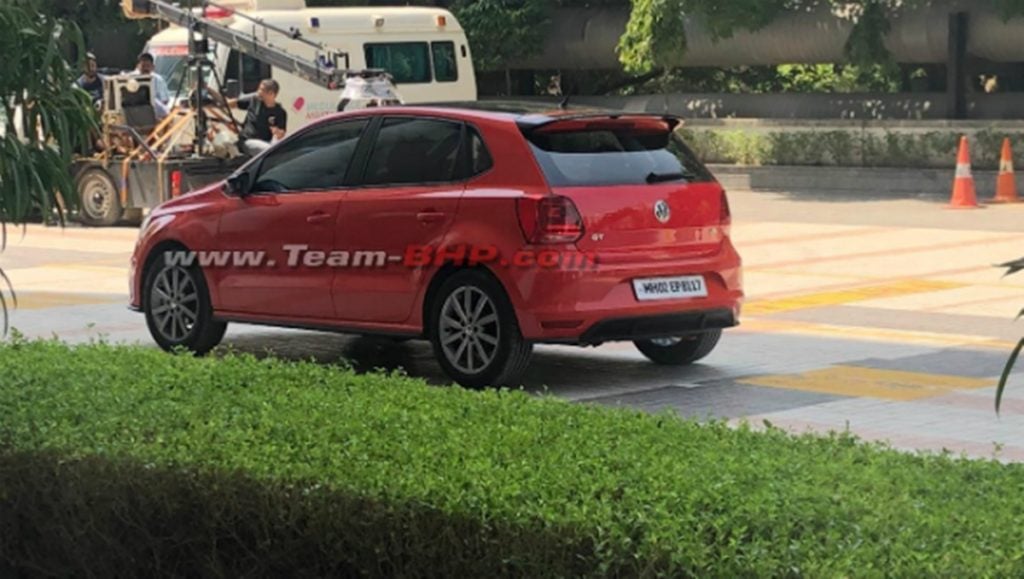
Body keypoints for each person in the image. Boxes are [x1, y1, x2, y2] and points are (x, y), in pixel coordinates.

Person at [218, 79, 287, 155]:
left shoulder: (280, 112)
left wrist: (277, 132)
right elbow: (229, 104)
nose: (258, 92)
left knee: (276, 149)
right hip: (248, 140)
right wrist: (212, 95)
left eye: (261, 90)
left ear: (271, 94)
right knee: (268, 150)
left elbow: (281, 134)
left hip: (267, 142)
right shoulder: (254, 101)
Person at [133, 52, 170, 120]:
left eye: (148, 66)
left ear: (153, 67)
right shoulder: (131, 78)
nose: (145, 69)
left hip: (154, 114)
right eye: (143, 66)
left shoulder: (159, 80)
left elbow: (165, 100)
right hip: (134, 111)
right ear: (138, 66)